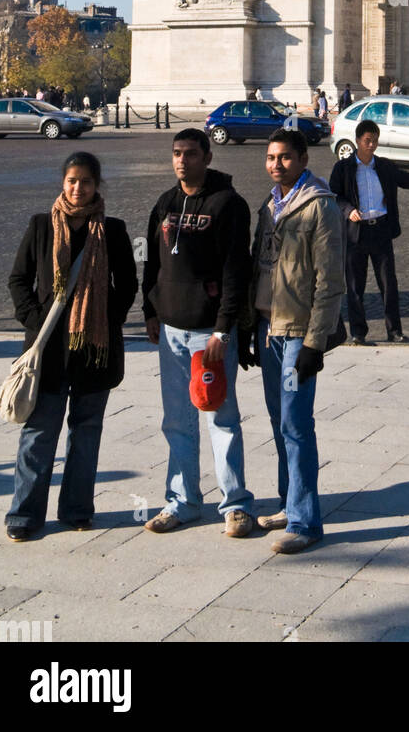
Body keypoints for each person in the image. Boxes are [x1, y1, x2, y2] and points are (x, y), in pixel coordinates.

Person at [5, 152, 137, 540]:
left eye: (86, 182)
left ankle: (77, 508)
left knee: (86, 433)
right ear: (63, 183)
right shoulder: (41, 225)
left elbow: (126, 284)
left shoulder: (113, 230)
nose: (78, 188)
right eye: (72, 181)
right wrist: (36, 322)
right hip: (47, 351)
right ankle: (24, 514)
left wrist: (103, 322)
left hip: (94, 352)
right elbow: (18, 280)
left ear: (98, 185)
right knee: (38, 435)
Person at [142, 129, 255, 537]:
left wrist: (224, 329)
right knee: (176, 420)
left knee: (221, 418)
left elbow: (235, 272)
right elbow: (151, 265)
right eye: (176, 153)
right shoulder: (165, 203)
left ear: (207, 156)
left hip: (210, 333)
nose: (182, 161)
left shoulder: (230, 205)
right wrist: (149, 310)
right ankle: (182, 501)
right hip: (171, 329)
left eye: (190, 153)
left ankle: (236, 504)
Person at [248, 130, 344, 553]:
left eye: (285, 158)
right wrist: (249, 326)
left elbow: (330, 281)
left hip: (297, 332)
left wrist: (314, 343)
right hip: (269, 326)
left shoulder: (321, 207)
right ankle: (290, 504)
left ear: (304, 159)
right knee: (278, 421)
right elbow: (260, 268)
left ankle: (306, 523)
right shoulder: (269, 206)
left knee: (296, 425)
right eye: (271, 157)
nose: (276, 164)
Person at [329, 119, 409, 343]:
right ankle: (358, 333)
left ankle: (394, 330)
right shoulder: (343, 168)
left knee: (389, 285)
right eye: (368, 141)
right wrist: (348, 210)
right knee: (355, 287)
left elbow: (404, 179)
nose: (372, 145)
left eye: (375, 141)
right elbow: (334, 196)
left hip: (381, 231)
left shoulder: (385, 166)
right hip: (355, 234)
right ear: (358, 141)